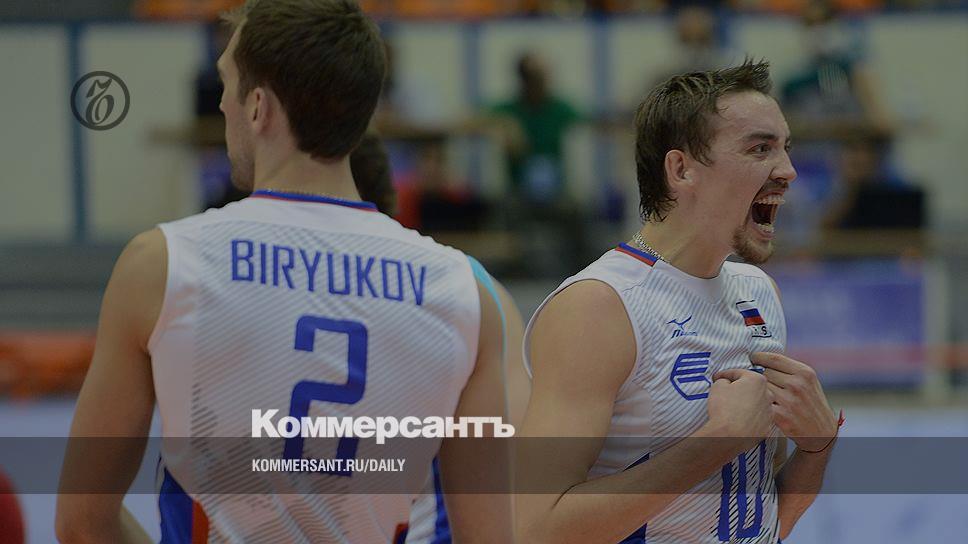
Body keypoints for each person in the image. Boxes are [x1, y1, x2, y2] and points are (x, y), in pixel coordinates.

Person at [55, 1, 512, 542]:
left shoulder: (164, 265)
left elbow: (82, 525)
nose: (220, 102)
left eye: (227, 83)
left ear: (257, 107)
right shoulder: (463, 292)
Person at [516, 60, 840, 543]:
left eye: (785, 147)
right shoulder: (599, 306)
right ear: (681, 169)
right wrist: (715, 444)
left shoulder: (758, 292)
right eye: (760, 148)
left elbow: (759, 521)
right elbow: (535, 530)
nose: (788, 171)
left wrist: (817, 448)